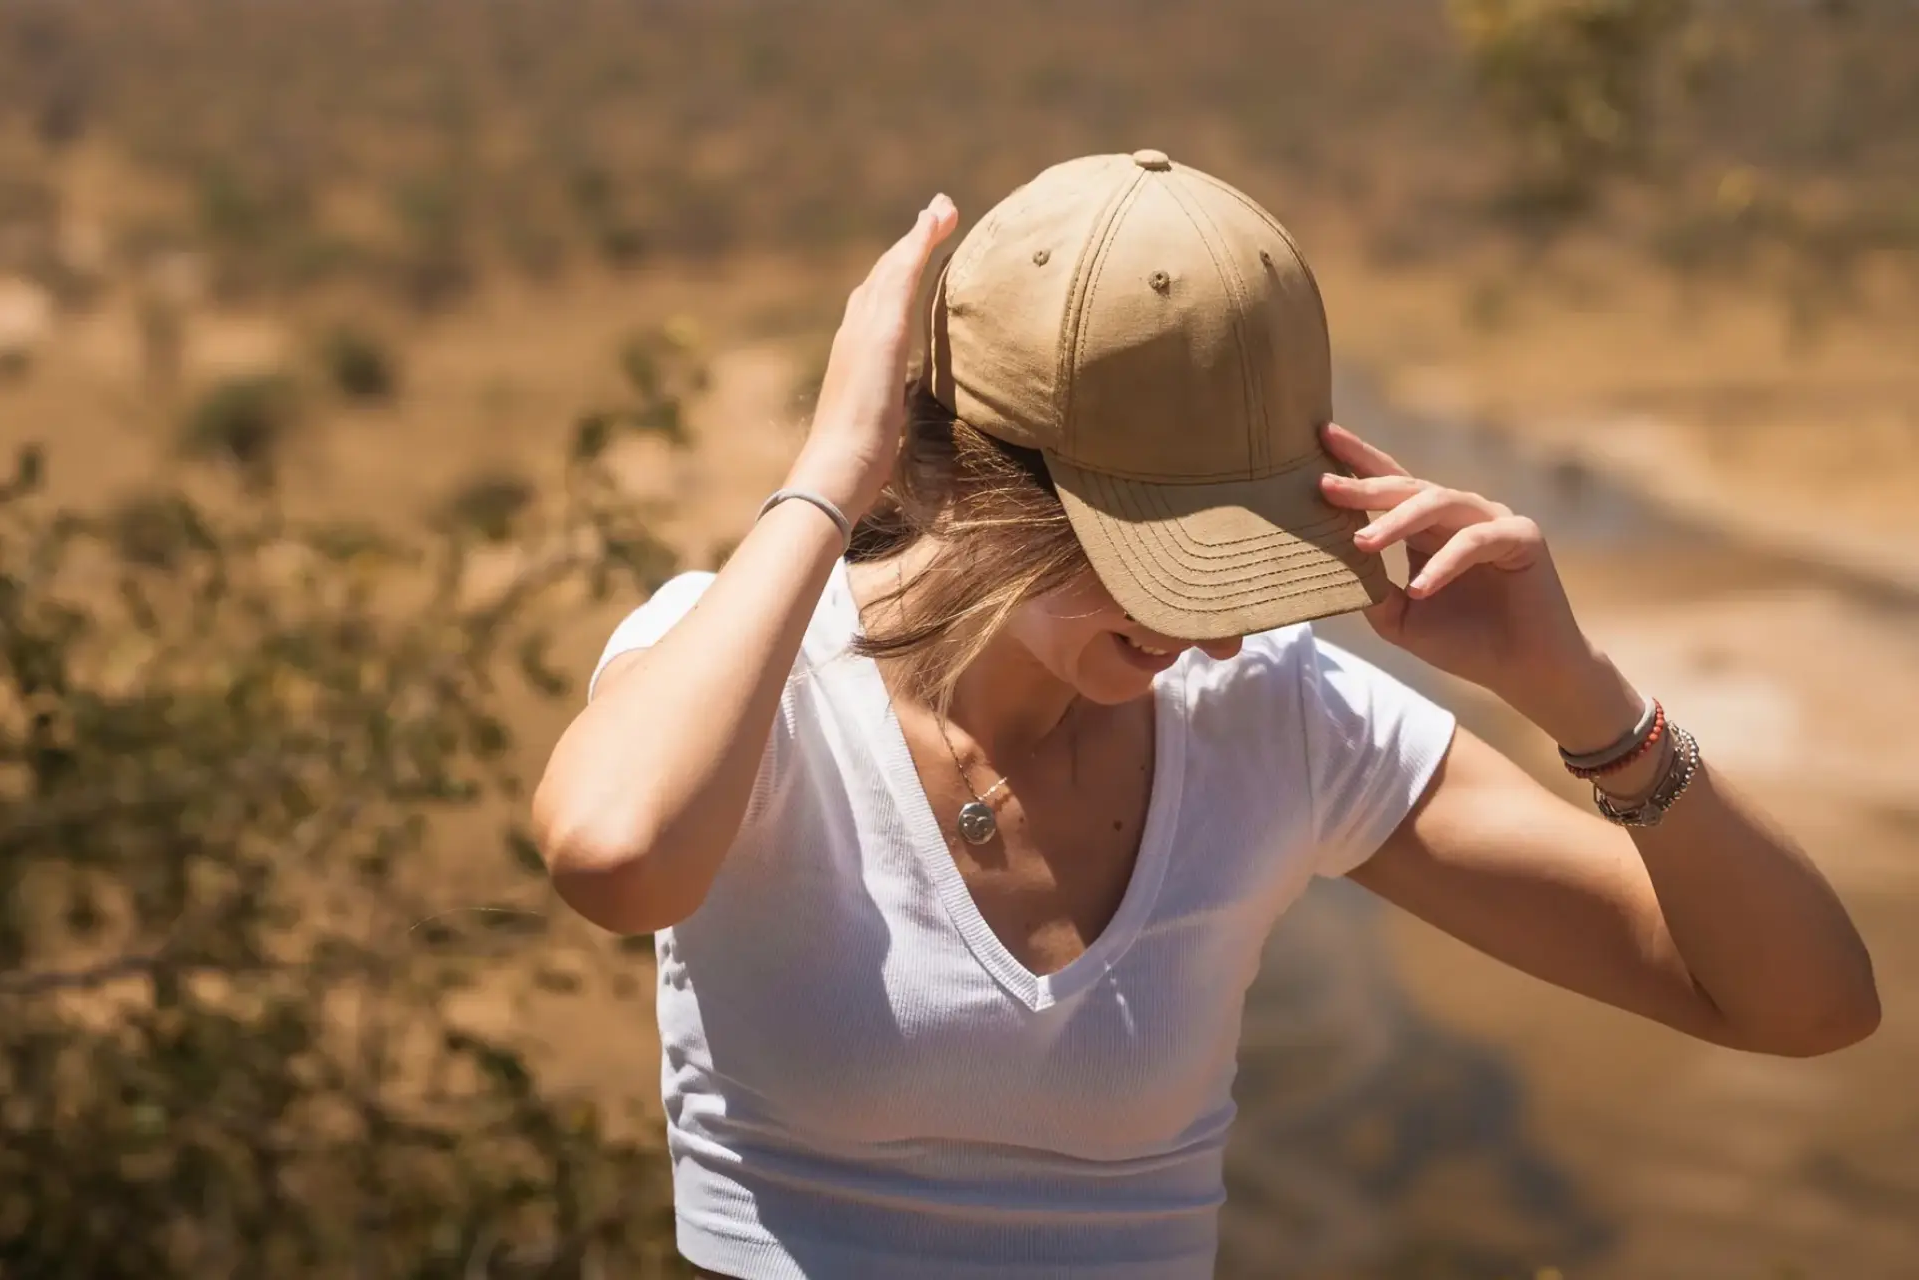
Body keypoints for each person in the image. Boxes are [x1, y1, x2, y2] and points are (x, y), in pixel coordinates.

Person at [532, 151, 1879, 1279]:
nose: (1222, 627)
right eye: (1160, 557)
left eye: (1257, 550)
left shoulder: (1273, 715)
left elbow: (1801, 1006)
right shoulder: (743, 667)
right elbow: (615, 857)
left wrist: (1583, 696)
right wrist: (830, 471)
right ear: (976, 480)